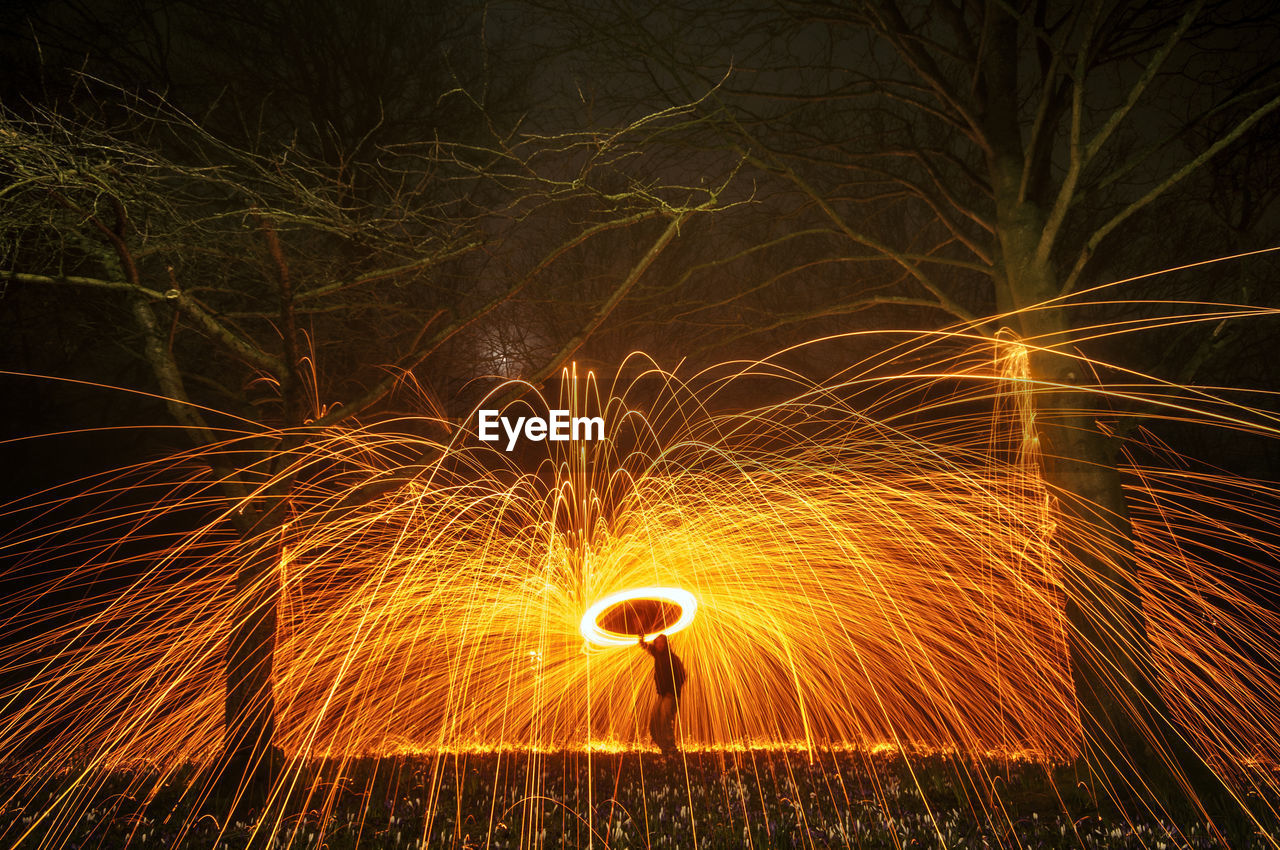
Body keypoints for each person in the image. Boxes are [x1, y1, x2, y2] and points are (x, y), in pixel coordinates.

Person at [638, 632, 686, 755]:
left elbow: (682, 676)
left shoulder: (673, 659)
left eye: (661, 642)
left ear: (666, 644)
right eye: (657, 642)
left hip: (671, 696)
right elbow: (646, 647)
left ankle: (671, 748)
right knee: (654, 722)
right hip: (662, 695)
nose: (659, 645)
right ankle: (664, 747)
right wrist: (640, 637)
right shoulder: (658, 655)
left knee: (665, 720)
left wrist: (672, 691)